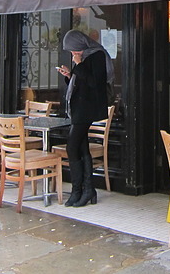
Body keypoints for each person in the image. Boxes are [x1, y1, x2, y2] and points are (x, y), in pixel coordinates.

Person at [56, 30, 114, 207]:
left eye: (75, 49)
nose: (73, 53)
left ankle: (79, 190)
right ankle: (86, 190)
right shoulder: (83, 58)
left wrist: (79, 65)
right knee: (81, 147)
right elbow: (80, 81)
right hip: (78, 107)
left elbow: (95, 83)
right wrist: (69, 76)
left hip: (87, 108)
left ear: (82, 45)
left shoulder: (96, 55)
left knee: (71, 146)